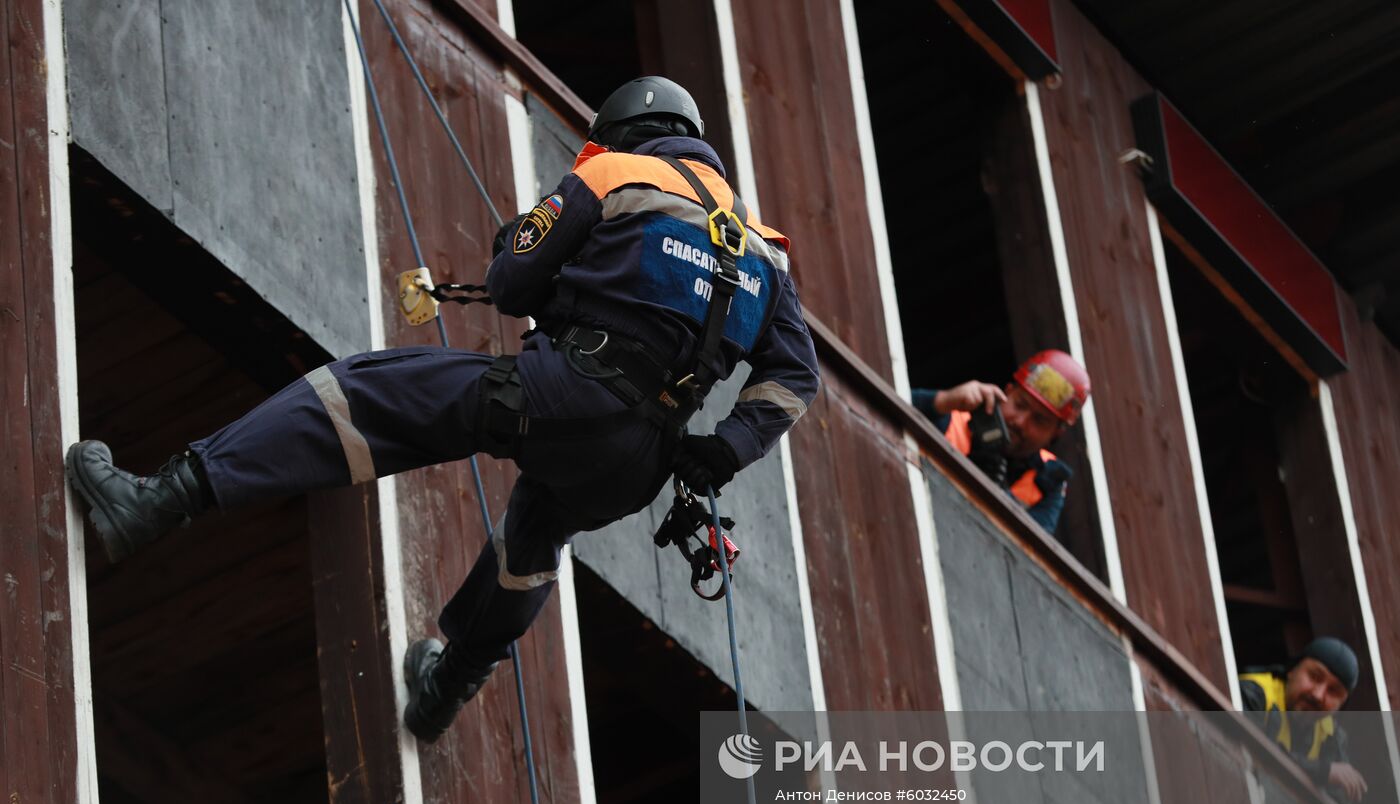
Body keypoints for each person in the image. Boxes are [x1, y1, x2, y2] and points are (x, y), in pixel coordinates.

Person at [64, 76, 819, 743]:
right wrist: (726, 447)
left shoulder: (614, 173)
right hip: (643, 462)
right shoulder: (762, 250)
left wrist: (534, 269)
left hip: (567, 394)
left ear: (619, 132)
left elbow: (513, 283)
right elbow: (794, 374)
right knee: (539, 531)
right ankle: (444, 687)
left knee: (369, 391)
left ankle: (162, 497)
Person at [912, 350, 1089, 534]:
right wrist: (944, 400)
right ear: (1008, 392)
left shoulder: (1049, 479)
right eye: (1020, 404)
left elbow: (1032, 549)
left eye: (1039, 420)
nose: (1020, 422)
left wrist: (1000, 496)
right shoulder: (953, 420)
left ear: (1056, 434)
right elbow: (889, 406)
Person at [1240, 637, 1368, 804]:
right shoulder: (1254, 693)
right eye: (1314, 676)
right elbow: (1249, 748)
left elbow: (1341, 802)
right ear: (1292, 670)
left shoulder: (1332, 736)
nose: (1318, 695)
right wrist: (1322, 772)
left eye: (1334, 691)